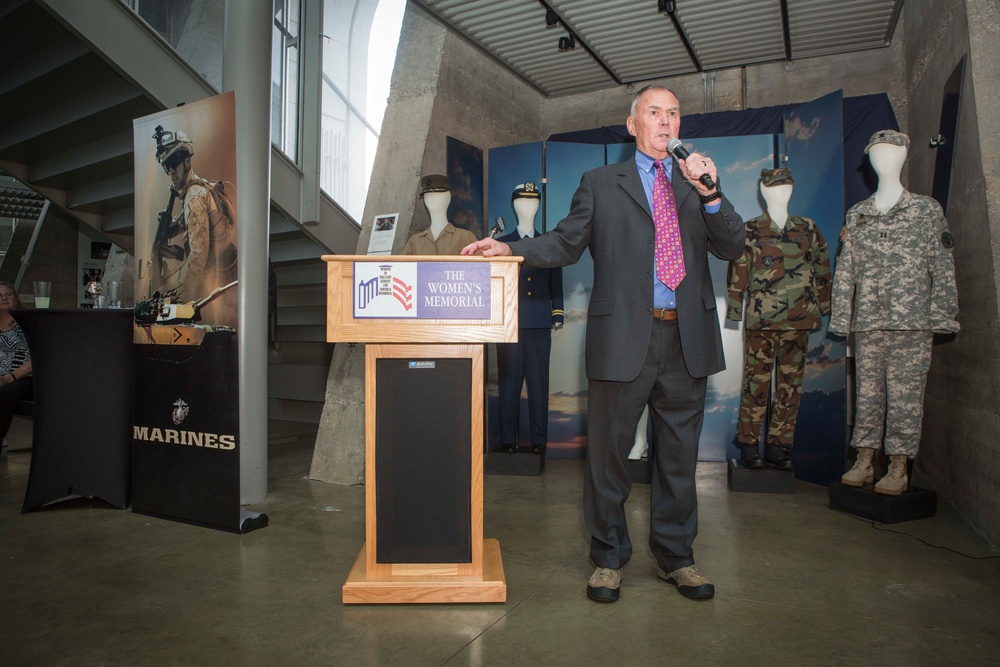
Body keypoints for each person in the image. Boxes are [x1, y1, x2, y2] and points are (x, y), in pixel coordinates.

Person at [462, 85, 744, 602]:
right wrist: (510, 247)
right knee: (609, 457)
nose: (665, 121)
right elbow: (566, 242)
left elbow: (733, 243)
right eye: (654, 113)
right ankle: (608, 558)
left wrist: (710, 191)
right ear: (632, 124)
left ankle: (677, 558)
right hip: (623, 339)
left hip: (688, 339)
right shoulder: (600, 182)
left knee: (678, 458)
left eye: (673, 114)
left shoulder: (697, 181)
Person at [831, 130, 959, 495]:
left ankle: (899, 465)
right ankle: (865, 459)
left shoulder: (926, 210)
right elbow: (846, 273)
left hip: (912, 323)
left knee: (905, 397)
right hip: (869, 322)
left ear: (904, 153)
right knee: (867, 394)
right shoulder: (858, 216)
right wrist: (843, 319)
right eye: (876, 152)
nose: (881, 158)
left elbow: (943, 266)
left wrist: (942, 315)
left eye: (890, 151)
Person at [727, 168, 831, 471]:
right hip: (762, 320)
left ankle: (779, 446)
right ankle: (749, 445)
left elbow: (822, 269)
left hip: (799, 320)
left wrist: (826, 305)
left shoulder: (808, 228)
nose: (779, 191)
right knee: (756, 384)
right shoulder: (751, 230)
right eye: (774, 187)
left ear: (792, 189)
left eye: (785, 186)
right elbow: (738, 273)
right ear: (762, 190)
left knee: (790, 386)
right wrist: (735, 310)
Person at [495, 182, 564, 455]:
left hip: (538, 320)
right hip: (509, 323)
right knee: (508, 384)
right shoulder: (503, 244)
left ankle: (539, 441)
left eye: (534, 202)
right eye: (524, 202)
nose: (529, 206)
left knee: (539, 384)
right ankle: (508, 441)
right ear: (514, 205)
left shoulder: (548, 243)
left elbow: (556, 280)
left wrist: (557, 310)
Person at [151, 125, 238, 326]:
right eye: (166, 166)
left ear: (187, 161)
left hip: (220, 279)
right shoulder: (201, 187)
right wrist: (169, 230)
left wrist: (180, 300)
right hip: (225, 270)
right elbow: (189, 224)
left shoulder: (194, 197)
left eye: (174, 163)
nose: (171, 172)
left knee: (164, 288)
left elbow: (198, 259)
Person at [401, 174, 479, 255]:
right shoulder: (415, 242)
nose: (431, 200)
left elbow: (482, 266)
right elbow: (398, 266)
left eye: (438, 195)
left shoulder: (465, 238)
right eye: (428, 196)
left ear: (447, 198)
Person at [0, 282, 33, 460]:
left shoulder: (26, 323)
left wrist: (9, 377)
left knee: (5, 393)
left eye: (9, 294)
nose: (4, 298)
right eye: (0, 295)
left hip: (23, 377)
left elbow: (36, 359)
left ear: (15, 298)